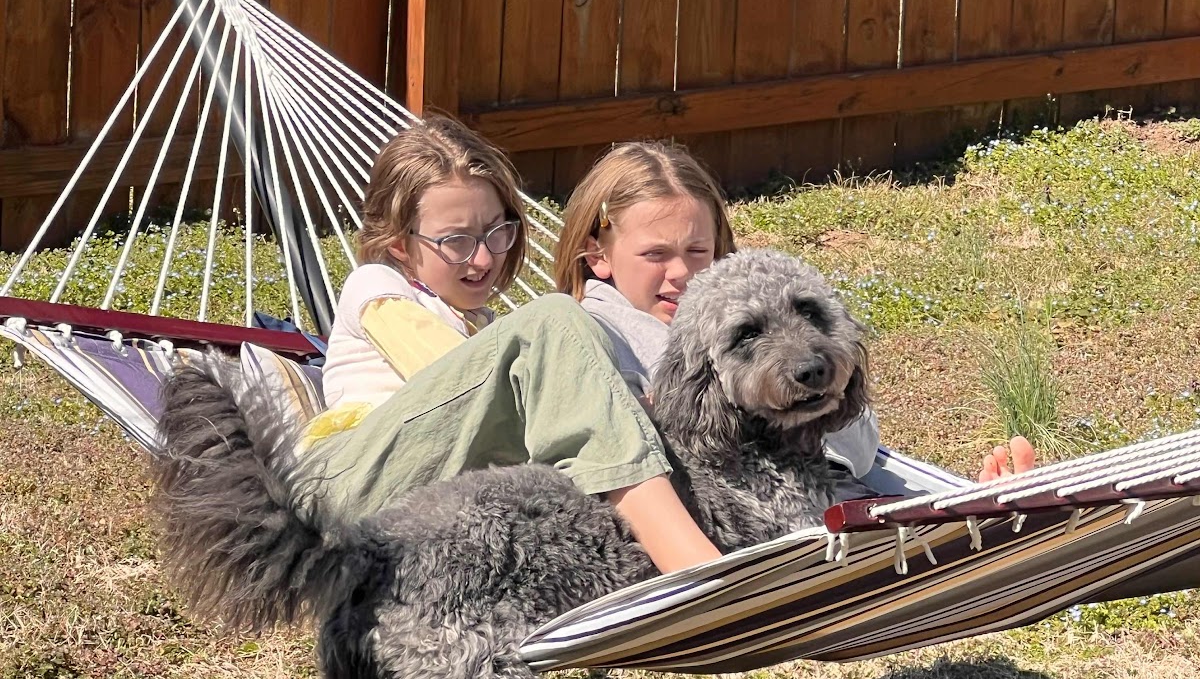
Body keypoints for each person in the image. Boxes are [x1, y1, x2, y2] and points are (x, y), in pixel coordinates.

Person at [297, 117, 722, 573]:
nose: (483, 257)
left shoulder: (479, 324)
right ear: (400, 245)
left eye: (496, 231)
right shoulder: (377, 288)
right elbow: (445, 370)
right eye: (456, 241)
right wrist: (601, 399)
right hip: (339, 487)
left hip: (414, 499)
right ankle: (693, 567)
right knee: (552, 320)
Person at [552, 138, 1037, 492]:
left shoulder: (767, 304)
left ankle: (981, 514)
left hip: (836, 488)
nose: (682, 272)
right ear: (598, 256)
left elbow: (861, 452)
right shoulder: (589, 339)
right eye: (655, 254)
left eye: (699, 250)